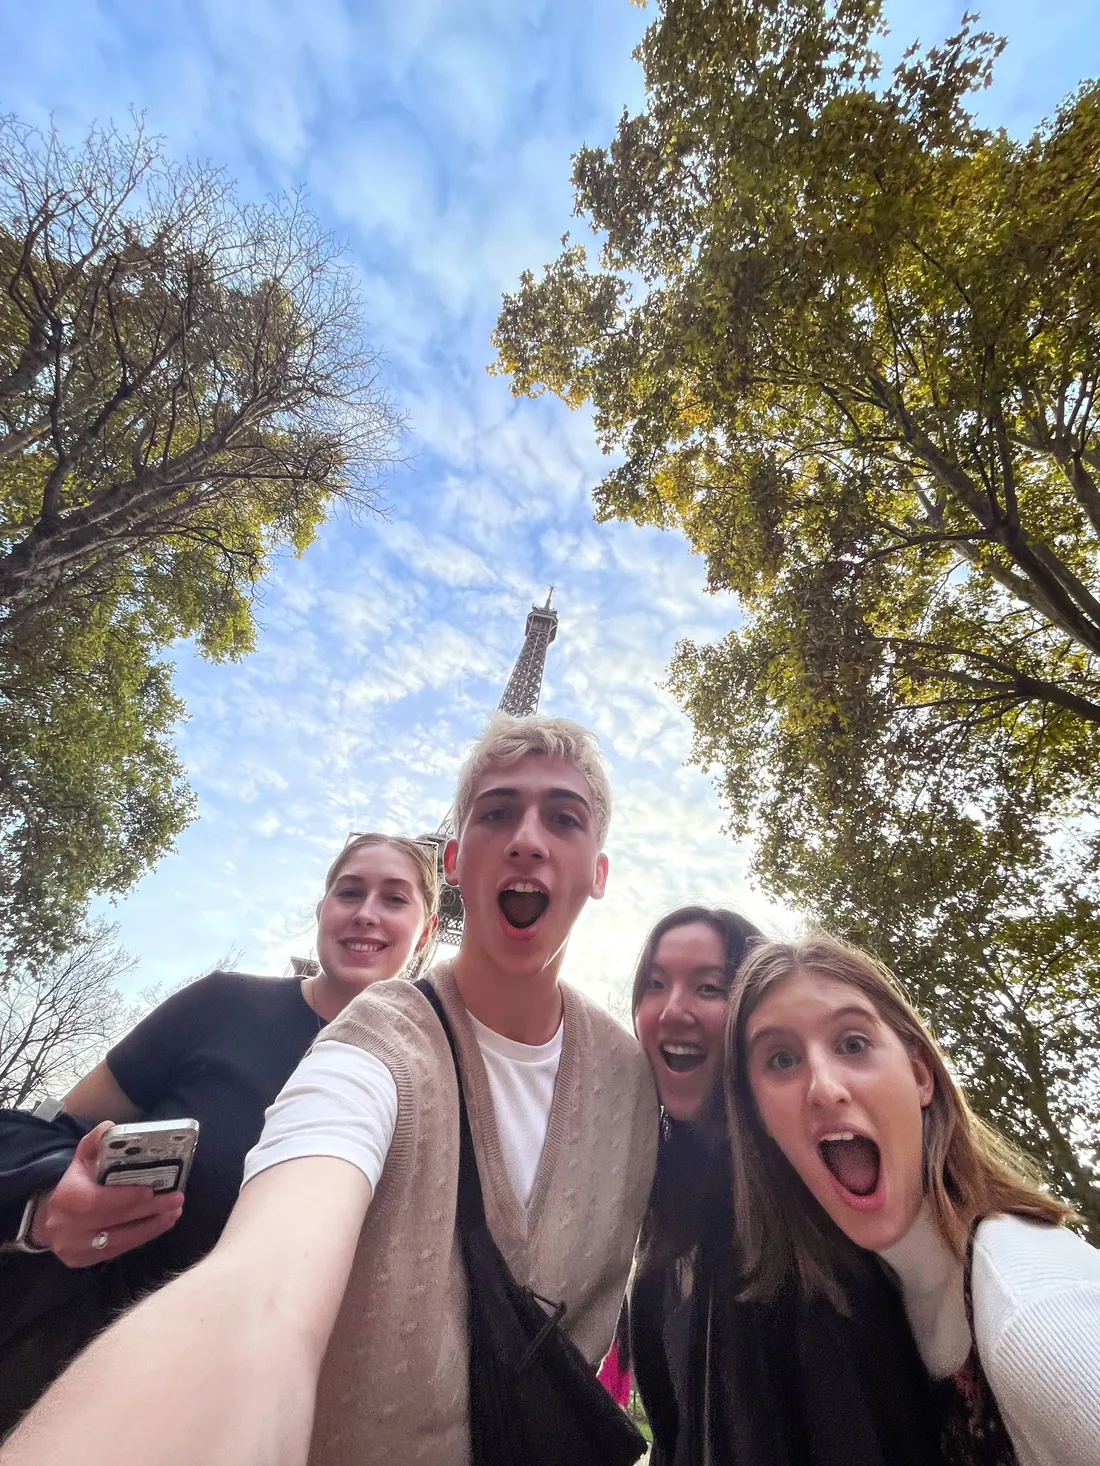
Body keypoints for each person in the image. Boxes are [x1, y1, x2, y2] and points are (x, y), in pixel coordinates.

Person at [0, 713, 659, 1466]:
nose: (527, 838)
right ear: (455, 859)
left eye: (563, 818)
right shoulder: (367, 1041)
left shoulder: (630, 1086)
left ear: (423, 926)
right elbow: (264, 1293)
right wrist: (48, 1197)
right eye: (498, 811)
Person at [0, 832, 438, 1436]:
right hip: (74, 1374)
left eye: (394, 899)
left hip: (273, 1426)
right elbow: (49, 1132)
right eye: (349, 892)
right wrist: (49, 1204)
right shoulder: (221, 1006)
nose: (366, 911)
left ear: (428, 930)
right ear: (321, 911)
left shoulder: (432, 1086)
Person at [727, 933, 1100, 1466]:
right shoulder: (872, 1301)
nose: (823, 1087)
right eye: (781, 1059)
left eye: (852, 1044)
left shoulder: (1035, 1310)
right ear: (759, 1117)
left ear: (921, 1075)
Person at [628, 907, 942, 1466]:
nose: (674, 1010)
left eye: (708, 987)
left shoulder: (821, 1203)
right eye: (654, 984)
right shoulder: (657, 1208)